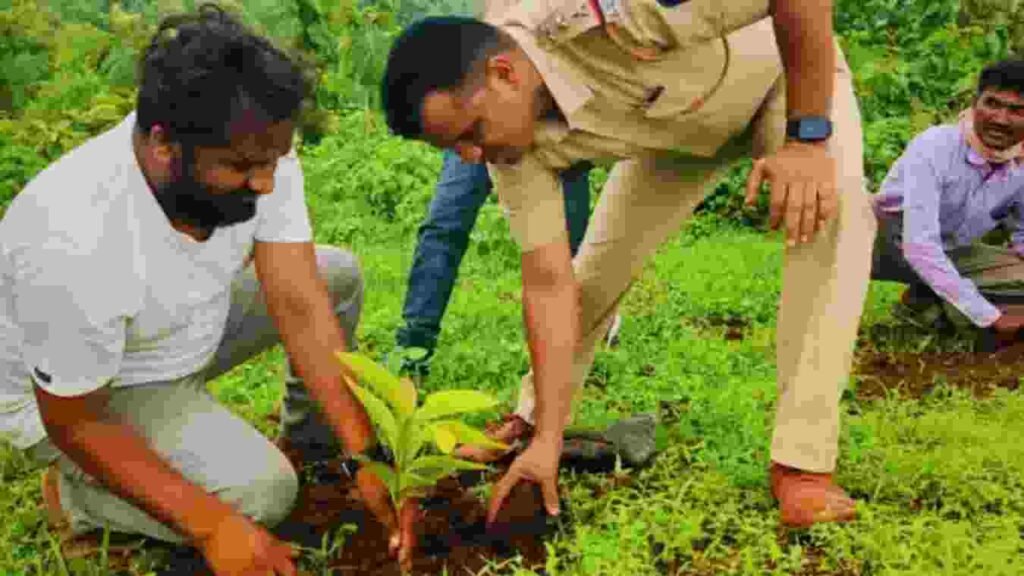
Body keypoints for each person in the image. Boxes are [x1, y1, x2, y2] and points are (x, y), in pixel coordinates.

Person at [381, 0, 877, 529]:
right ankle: (532, 424)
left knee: (834, 209)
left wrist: (807, 140)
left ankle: (801, 465)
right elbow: (549, 284)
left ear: (504, 72)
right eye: (454, 146)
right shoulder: (509, 146)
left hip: (781, 81)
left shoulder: (598, 10)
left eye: (471, 132)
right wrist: (550, 441)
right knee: (593, 276)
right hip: (675, 133)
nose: (471, 157)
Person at [0, 5, 409, 573]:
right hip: (87, 392)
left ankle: (312, 448)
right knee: (261, 496)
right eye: (244, 169)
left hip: (175, 328)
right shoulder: (72, 235)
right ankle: (79, 498)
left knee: (333, 276)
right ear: (165, 144)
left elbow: (296, 297)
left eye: (273, 162)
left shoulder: (252, 144)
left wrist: (362, 453)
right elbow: (73, 420)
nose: (266, 183)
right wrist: (216, 527)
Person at [394, 151, 602, 377]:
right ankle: (413, 348)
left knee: (569, 247)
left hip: (555, 130)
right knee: (444, 225)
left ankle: (571, 353)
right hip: (478, 127)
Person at [871, 59, 1024, 347]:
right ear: (974, 102)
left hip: (951, 251)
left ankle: (922, 305)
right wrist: (988, 315)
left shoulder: (1020, 163)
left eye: (1017, 111)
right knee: (851, 216)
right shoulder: (936, 146)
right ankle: (949, 315)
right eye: (992, 104)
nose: (1001, 119)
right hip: (881, 244)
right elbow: (919, 245)